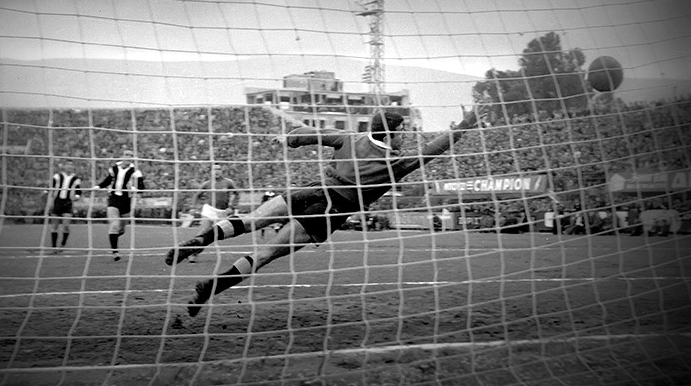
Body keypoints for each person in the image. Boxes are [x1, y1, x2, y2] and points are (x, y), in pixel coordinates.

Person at [165, 105, 485, 317]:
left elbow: (313, 136)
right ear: (389, 134)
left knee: (250, 220)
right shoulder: (395, 163)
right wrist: (466, 124)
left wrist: (289, 139)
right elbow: (433, 150)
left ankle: (201, 240)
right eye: (402, 131)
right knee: (264, 254)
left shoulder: (351, 138)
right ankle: (210, 287)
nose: (405, 136)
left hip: (310, 189)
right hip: (329, 210)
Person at [93, 149, 145, 261]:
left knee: (121, 230)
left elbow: (142, 187)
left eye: (130, 155)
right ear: (122, 156)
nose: (128, 157)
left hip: (126, 201)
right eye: (126, 155)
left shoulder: (136, 171)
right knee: (114, 225)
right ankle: (115, 252)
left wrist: (134, 189)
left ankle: (113, 238)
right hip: (114, 199)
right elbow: (108, 180)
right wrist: (98, 186)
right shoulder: (114, 168)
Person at [182, 164, 238, 263]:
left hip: (222, 212)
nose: (217, 171)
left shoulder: (228, 182)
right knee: (203, 231)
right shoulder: (207, 184)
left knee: (211, 236)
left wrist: (231, 207)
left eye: (219, 169)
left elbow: (236, 194)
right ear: (211, 172)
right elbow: (197, 195)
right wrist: (194, 207)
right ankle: (192, 253)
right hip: (209, 210)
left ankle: (191, 250)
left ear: (222, 171)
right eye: (214, 169)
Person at [47, 159, 82, 253]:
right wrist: (46, 192)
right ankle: (54, 247)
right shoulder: (57, 176)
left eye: (71, 165)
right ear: (64, 166)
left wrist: (77, 196)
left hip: (68, 203)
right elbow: (50, 187)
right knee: (54, 226)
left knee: (66, 226)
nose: (69, 167)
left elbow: (79, 191)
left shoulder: (76, 178)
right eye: (67, 165)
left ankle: (62, 244)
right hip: (57, 202)